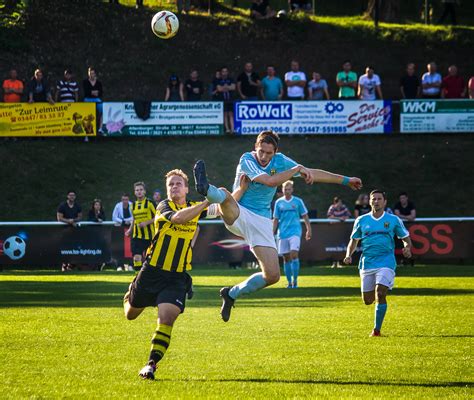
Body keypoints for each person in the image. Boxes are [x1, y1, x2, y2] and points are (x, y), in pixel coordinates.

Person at [192, 130, 362, 322]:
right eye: (261, 151)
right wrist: (296, 169)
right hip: (240, 212)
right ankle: (206, 190)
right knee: (224, 195)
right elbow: (270, 180)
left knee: (272, 275)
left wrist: (346, 180)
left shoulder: (281, 161)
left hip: (263, 221)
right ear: (255, 148)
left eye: (268, 153)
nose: (263, 157)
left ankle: (231, 294)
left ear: (275, 152)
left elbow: (312, 173)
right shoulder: (247, 159)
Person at [123, 169, 244, 380]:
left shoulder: (194, 207)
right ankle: (130, 291)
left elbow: (224, 207)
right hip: (152, 272)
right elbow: (178, 219)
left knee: (167, 319)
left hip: (177, 276)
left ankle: (151, 365)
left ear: (187, 188)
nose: (174, 187)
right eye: (171, 184)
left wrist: (238, 190)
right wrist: (208, 200)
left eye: (178, 183)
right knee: (130, 314)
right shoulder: (164, 206)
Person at [344, 190, 412, 337]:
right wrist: (348, 254)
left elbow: (405, 237)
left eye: (379, 199)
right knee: (368, 300)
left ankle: (376, 330)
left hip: (386, 261)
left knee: (380, 292)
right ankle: (378, 305)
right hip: (367, 263)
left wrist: (407, 247)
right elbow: (354, 240)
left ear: (384, 202)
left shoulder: (393, 220)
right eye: (373, 199)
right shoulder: (361, 220)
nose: (376, 201)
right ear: (369, 202)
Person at [273, 180, 311, 289]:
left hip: (295, 232)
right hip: (283, 233)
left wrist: (309, 229)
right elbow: (276, 219)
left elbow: (305, 216)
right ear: (282, 190)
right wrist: (272, 232)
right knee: (286, 258)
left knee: (294, 254)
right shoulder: (278, 202)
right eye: (285, 189)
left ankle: (295, 280)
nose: (287, 191)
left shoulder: (298, 201)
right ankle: (289, 282)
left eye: (289, 189)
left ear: (292, 190)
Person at [125, 182, 156, 272]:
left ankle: (149, 276)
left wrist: (146, 223)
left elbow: (158, 217)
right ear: (134, 192)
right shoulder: (132, 205)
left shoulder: (150, 203)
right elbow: (134, 219)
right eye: (137, 190)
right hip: (136, 235)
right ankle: (137, 277)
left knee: (150, 259)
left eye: (141, 190)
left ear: (144, 191)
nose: (139, 192)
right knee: (136, 257)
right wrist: (130, 230)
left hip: (150, 235)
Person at [57, 190, 83, 272]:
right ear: (67, 196)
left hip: (75, 231)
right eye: (70, 195)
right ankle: (64, 265)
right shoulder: (62, 206)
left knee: (74, 248)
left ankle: (71, 266)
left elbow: (80, 217)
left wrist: (74, 220)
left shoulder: (78, 206)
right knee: (65, 248)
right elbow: (59, 218)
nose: (72, 196)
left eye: (73, 195)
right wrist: (69, 221)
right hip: (64, 231)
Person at [216, 66, 236, 133]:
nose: (224, 73)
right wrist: (227, 87)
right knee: (225, 114)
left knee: (231, 114)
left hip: (230, 99)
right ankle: (227, 129)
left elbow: (233, 87)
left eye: (225, 71)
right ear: (221, 73)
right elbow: (219, 89)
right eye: (223, 71)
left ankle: (232, 129)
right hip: (222, 100)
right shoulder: (218, 80)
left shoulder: (231, 79)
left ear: (227, 72)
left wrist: (224, 87)